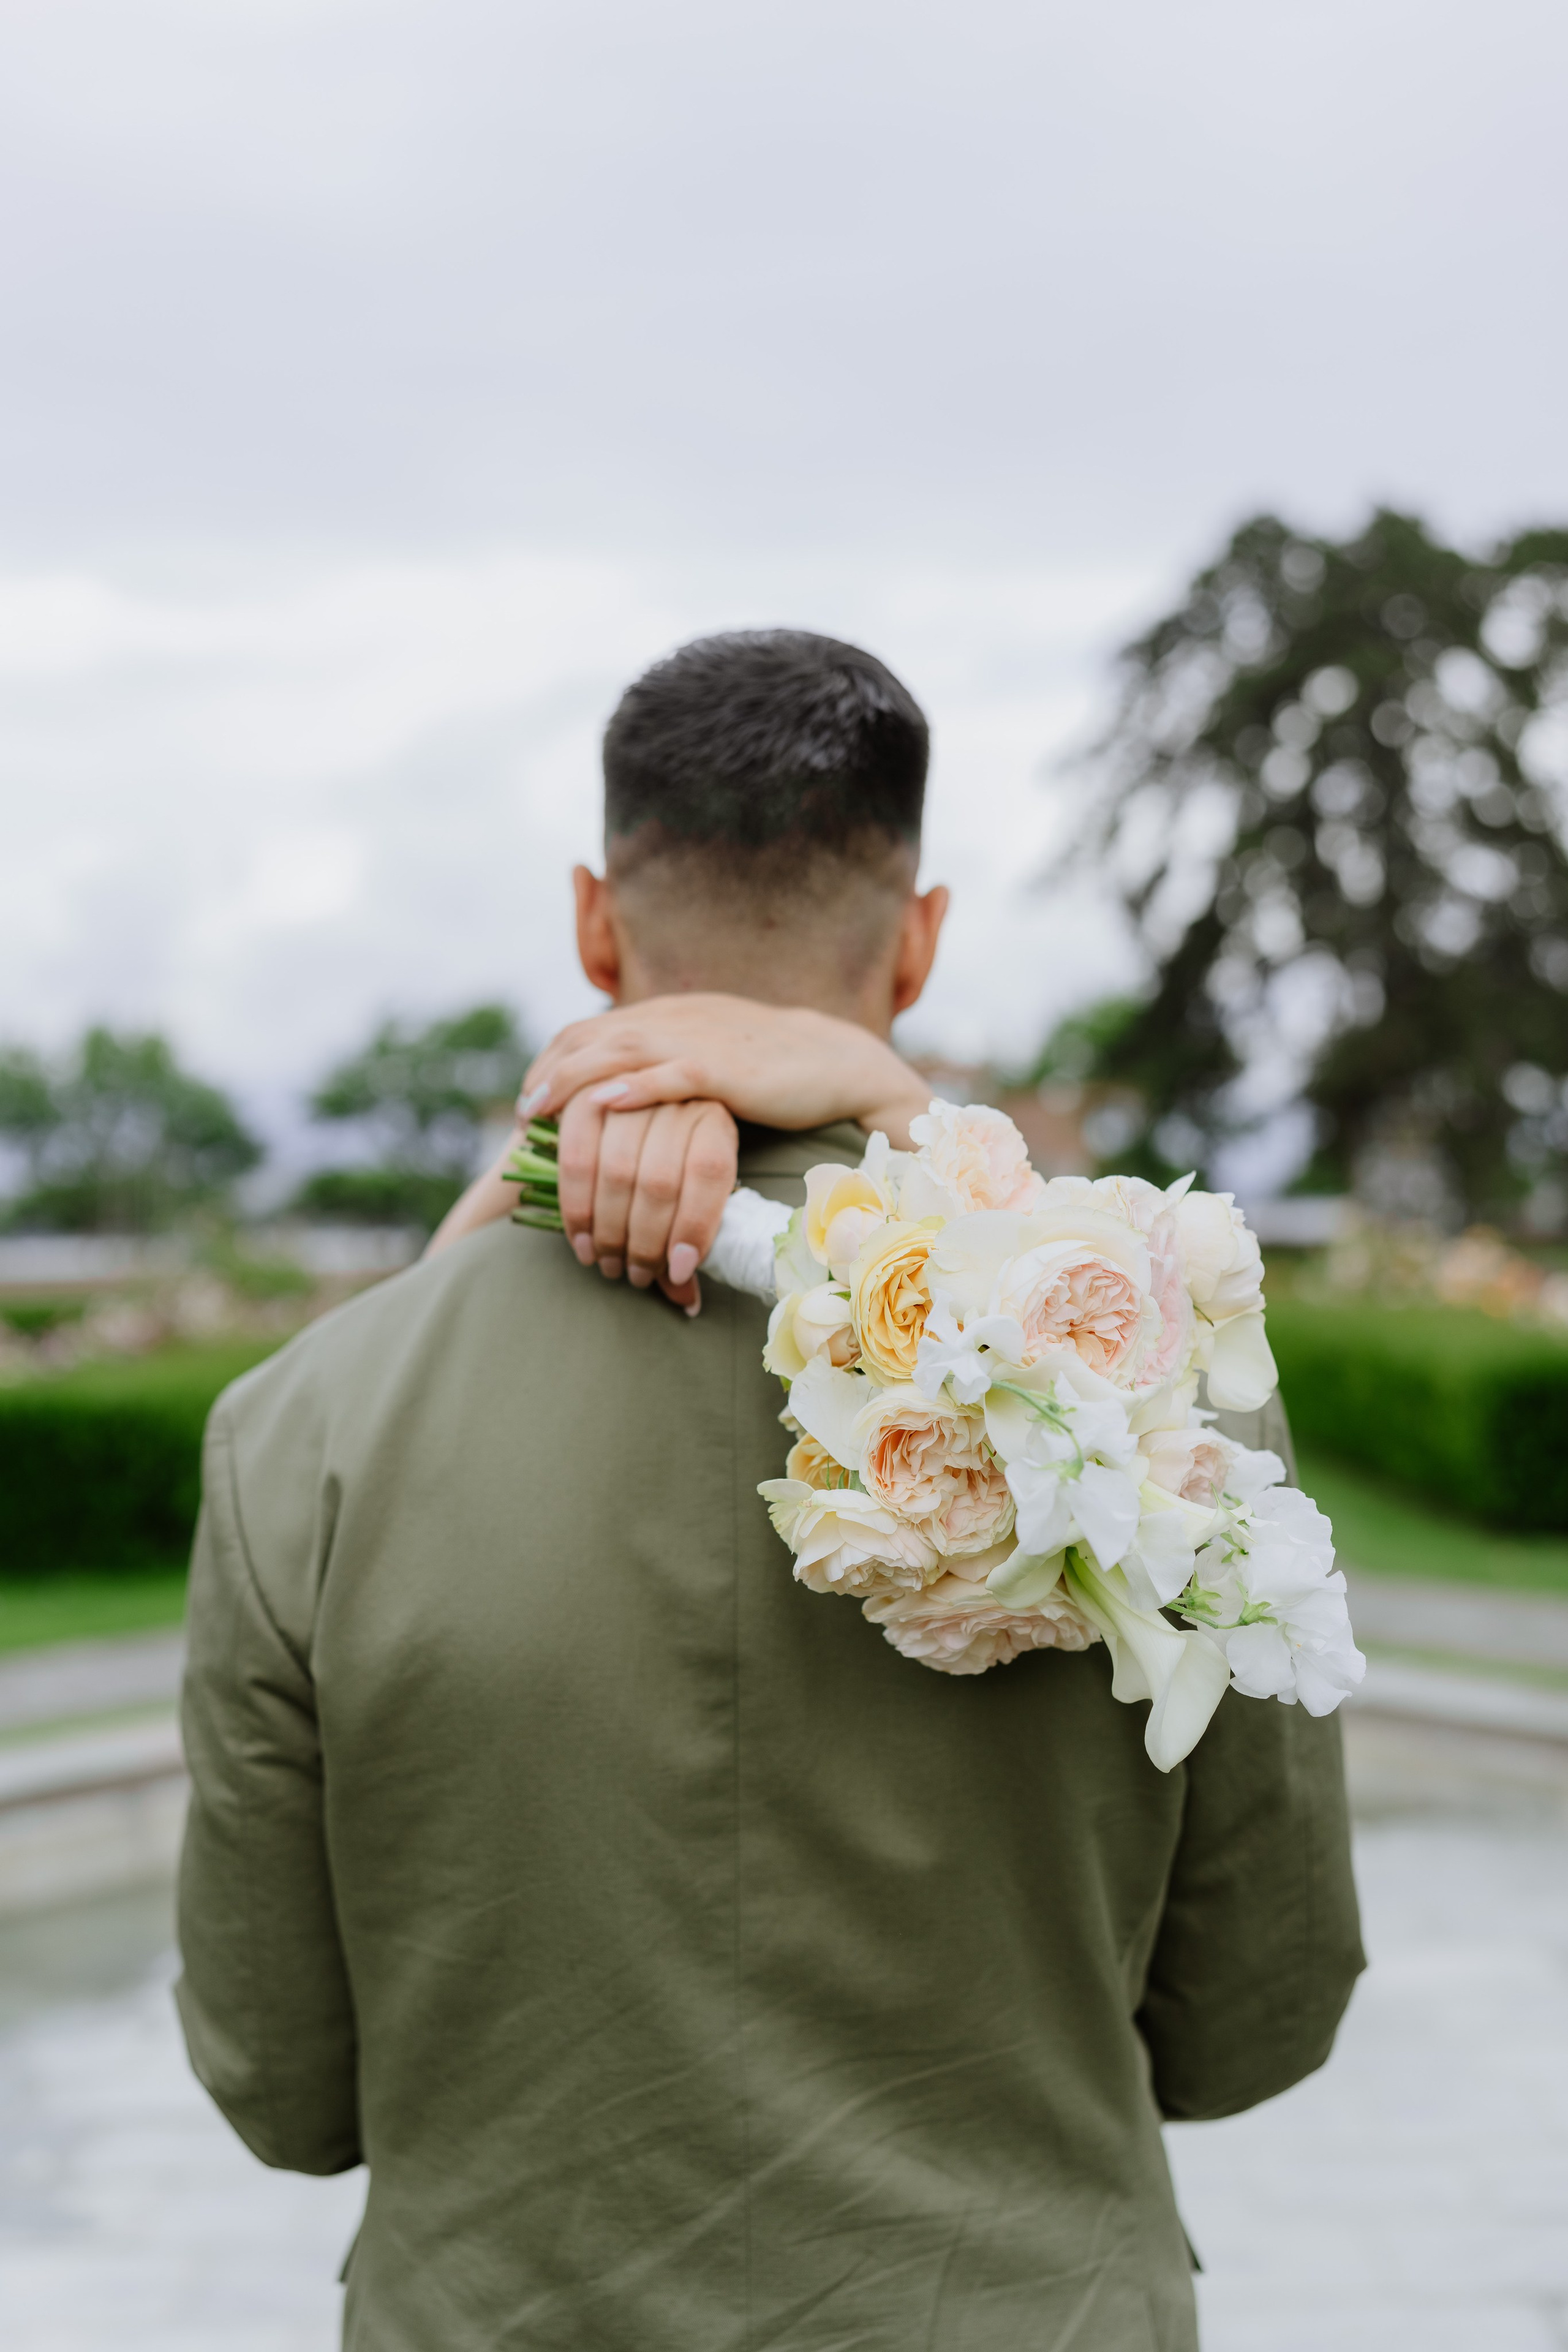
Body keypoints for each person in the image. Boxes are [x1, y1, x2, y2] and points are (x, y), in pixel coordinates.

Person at [176, 628, 1362, 2352]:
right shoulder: (1147, 1383)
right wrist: (916, 1116)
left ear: (597, 924)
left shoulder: (304, 1433)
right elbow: (1259, 2018)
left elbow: (283, 2088)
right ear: (924, 938)